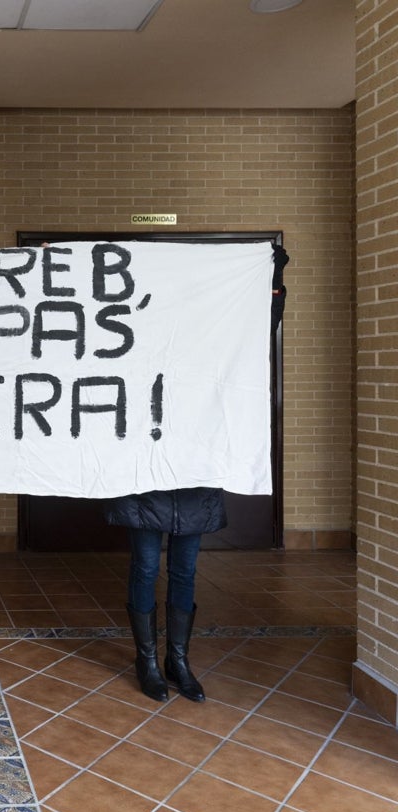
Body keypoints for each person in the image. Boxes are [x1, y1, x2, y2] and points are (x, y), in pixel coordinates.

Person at [104, 244, 289, 705]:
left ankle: (178, 660)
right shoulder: (137, 343)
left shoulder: (216, 346)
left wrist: (272, 282)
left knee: (184, 571)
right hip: (145, 478)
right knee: (145, 568)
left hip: (194, 478)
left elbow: (255, 331)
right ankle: (146, 660)